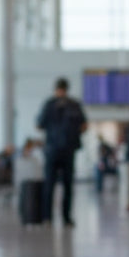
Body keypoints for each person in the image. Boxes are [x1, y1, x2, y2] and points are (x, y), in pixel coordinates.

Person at [36, 77, 87, 226]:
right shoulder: (74, 105)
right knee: (67, 185)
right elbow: (84, 126)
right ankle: (65, 217)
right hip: (67, 149)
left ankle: (48, 217)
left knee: (50, 184)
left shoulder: (49, 104)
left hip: (52, 149)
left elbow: (39, 125)